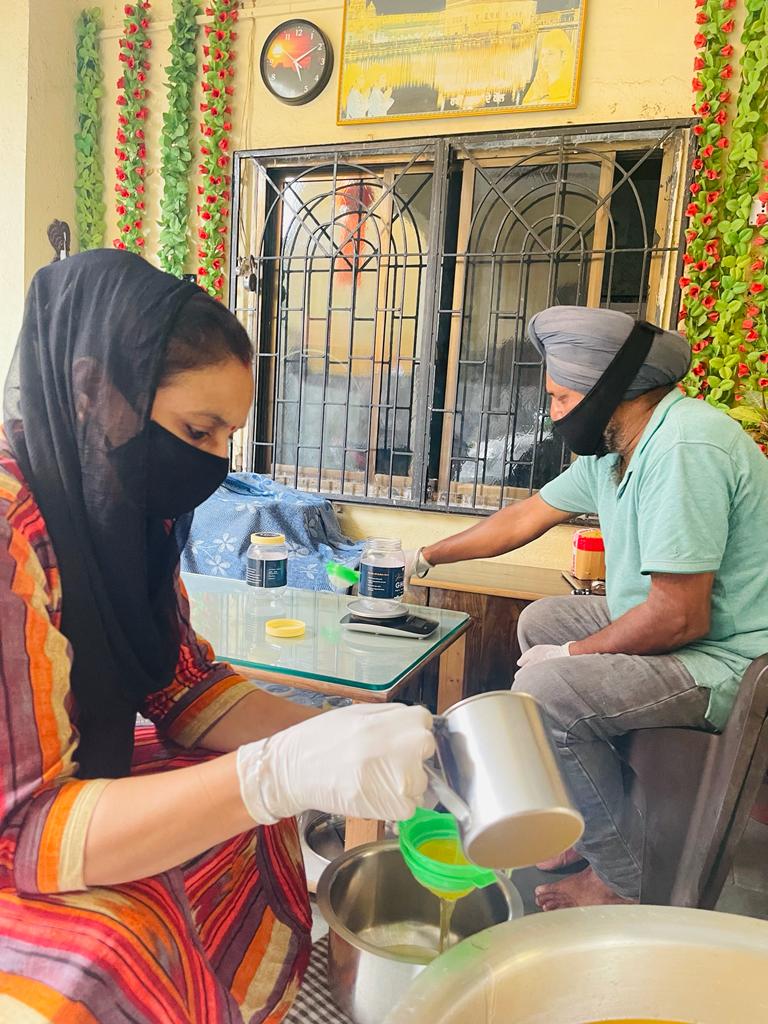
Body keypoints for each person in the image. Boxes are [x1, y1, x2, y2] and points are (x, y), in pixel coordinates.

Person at [0, 250, 434, 1021]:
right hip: (18, 815)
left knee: (250, 821)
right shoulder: (11, 526)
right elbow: (20, 830)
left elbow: (182, 684)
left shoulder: (130, 515)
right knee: (117, 948)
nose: (213, 465)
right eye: (198, 430)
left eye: (226, 437)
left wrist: (337, 737)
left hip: (63, 767)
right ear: (93, 390)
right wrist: (276, 772)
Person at [408, 305, 768, 910]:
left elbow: (681, 616)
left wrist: (572, 657)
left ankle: (621, 880)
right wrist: (424, 555)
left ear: (609, 391)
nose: (552, 414)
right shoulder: (616, 452)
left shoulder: (685, 447)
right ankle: (578, 810)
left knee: (551, 693)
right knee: (540, 620)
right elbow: (525, 516)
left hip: (727, 658)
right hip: (683, 628)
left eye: (561, 397)